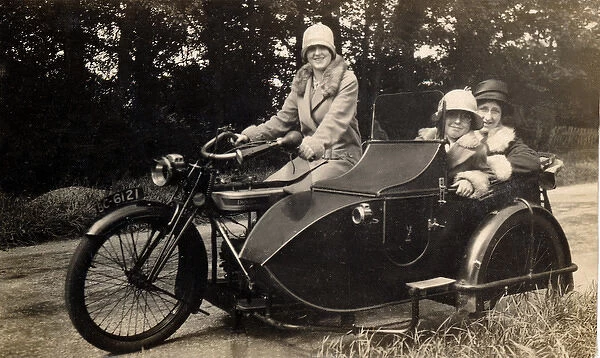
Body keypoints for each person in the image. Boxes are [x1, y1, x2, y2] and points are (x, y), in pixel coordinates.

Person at [235, 23, 362, 193]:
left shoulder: (346, 80)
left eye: (322, 47)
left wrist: (315, 143)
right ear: (305, 54)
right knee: (267, 191)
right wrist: (248, 136)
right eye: (311, 49)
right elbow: (282, 120)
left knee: (297, 196)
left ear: (331, 51)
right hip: (308, 160)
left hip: (340, 158)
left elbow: (336, 120)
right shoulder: (302, 84)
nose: (317, 53)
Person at [416, 89, 492, 198]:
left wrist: (470, 180)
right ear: (442, 118)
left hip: (453, 203)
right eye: (452, 114)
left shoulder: (478, 150)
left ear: (471, 123)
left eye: (465, 117)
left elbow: (487, 174)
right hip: (420, 198)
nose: (457, 121)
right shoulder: (423, 140)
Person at [472, 79, 540, 182]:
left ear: (501, 116)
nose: (488, 117)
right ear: (475, 112)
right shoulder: (462, 136)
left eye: (495, 111)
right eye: (484, 109)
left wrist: (491, 164)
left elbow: (531, 161)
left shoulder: (507, 140)